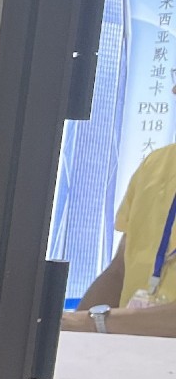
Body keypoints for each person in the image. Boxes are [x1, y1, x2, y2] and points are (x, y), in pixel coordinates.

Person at [60, 141, 176, 337]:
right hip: (129, 350)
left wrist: (93, 322)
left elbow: (87, 322)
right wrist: (67, 335)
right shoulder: (155, 163)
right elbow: (119, 271)